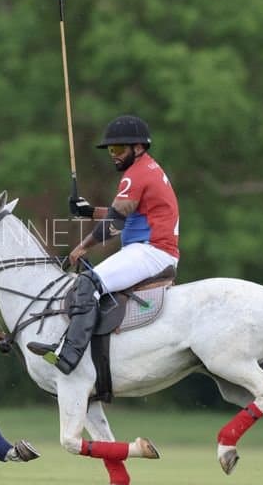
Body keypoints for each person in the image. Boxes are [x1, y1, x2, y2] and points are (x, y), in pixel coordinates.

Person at [27, 114, 180, 373]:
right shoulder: (148, 169)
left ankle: (68, 355)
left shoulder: (137, 174)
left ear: (138, 147)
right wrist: (88, 212)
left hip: (151, 250)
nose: (114, 154)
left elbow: (117, 222)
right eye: (111, 149)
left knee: (89, 282)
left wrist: (83, 246)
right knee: (90, 282)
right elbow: (126, 211)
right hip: (150, 249)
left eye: (119, 148)